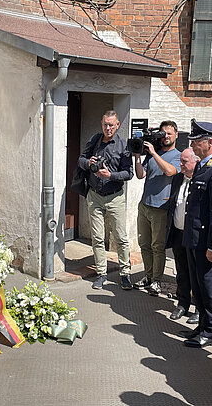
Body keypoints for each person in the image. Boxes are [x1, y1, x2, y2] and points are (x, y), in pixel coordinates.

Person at [180, 119, 212, 348]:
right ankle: (202, 325)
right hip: (193, 237)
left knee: (208, 286)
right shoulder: (202, 165)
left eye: (196, 142)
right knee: (197, 285)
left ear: (210, 142)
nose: (192, 147)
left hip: (205, 241)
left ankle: (211, 331)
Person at [76, 110, 134, 290]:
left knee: (121, 238)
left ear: (117, 125)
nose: (108, 128)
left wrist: (111, 175)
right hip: (95, 196)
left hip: (115, 196)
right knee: (97, 237)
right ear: (102, 124)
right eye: (105, 124)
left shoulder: (124, 146)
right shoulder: (94, 141)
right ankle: (101, 273)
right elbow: (81, 160)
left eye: (111, 125)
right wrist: (88, 163)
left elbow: (129, 173)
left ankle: (125, 273)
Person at [133, 121, 181, 296]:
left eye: (169, 133)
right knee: (144, 244)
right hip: (145, 204)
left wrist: (153, 153)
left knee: (157, 246)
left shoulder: (178, 155)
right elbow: (140, 174)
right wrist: (138, 156)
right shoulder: (153, 154)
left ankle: (157, 281)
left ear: (176, 135)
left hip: (161, 207)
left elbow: (170, 171)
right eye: (163, 133)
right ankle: (148, 276)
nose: (166, 137)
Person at [165, 148, 200, 323]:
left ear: (195, 162)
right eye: (181, 161)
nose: (181, 165)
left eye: (185, 162)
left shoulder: (201, 181)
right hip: (178, 233)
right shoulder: (178, 179)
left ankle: (200, 309)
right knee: (182, 271)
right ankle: (182, 304)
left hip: (194, 236)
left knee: (197, 274)